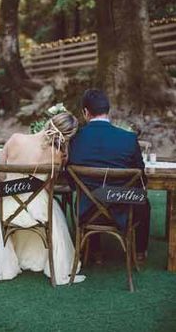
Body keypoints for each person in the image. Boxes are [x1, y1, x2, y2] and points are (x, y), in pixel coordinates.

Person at [0, 112, 85, 285]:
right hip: (38, 210)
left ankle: (4, 260)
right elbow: (50, 185)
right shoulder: (57, 155)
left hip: (7, 204)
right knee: (53, 207)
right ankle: (44, 259)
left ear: (48, 123)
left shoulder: (15, 139)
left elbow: (0, 175)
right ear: (67, 137)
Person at [68, 89, 150, 262]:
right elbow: (141, 178)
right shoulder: (128, 138)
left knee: (92, 194)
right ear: (108, 111)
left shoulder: (74, 139)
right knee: (144, 201)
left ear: (85, 112)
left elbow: (72, 182)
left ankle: (95, 252)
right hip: (123, 209)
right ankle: (140, 251)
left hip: (86, 210)